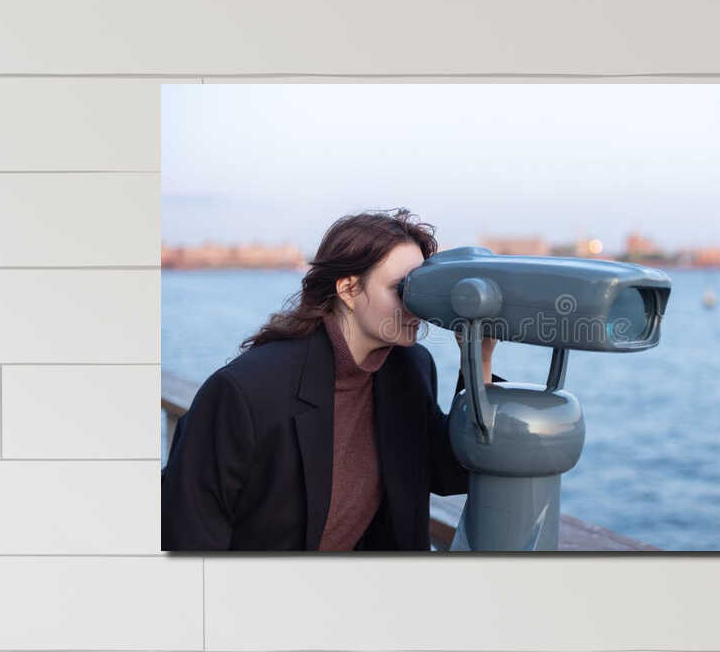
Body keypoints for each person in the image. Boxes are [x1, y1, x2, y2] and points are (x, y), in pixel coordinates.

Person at [161, 209, 491, 552]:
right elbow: (188, 530)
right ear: (348, 289)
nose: (417, 307)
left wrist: (478, 356)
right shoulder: (246, 391)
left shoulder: (410, 368)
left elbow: (450, 471)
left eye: (421, 289)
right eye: (402, 289)